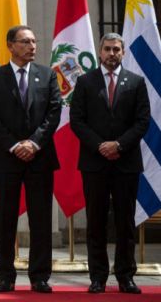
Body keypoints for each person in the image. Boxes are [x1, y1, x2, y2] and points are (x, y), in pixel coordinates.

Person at [0, 25, 61, 293]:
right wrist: (15, 145)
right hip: (7, 158)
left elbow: (54, 113)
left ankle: (40, 276)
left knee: (41, 219)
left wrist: (34, 143)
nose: (32, 47)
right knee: (5, 219)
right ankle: (6, 276)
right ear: (10, 45)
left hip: (40, 158)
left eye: (34, 41)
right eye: (25, 42)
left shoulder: (47, 75)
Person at [70, 33, 149, 295]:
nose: (112, 53)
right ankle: (98, 278)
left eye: (117, 49)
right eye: (107, 49)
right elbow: (77, 120)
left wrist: (119, 145)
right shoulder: (85, 82)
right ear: (100, 52)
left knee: (125, 222)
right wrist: (100, 145)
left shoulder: (136, 82)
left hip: (126, 163)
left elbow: (142, 121)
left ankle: (126, 276)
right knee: (96, 222)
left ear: (123, 53)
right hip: (95, 163)